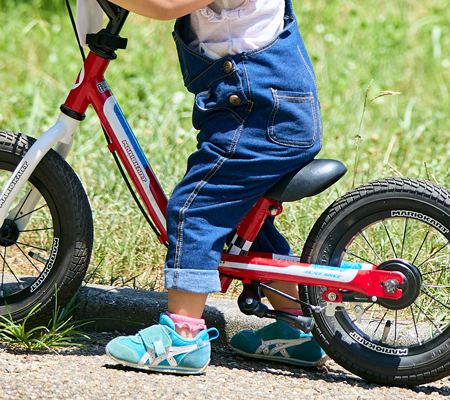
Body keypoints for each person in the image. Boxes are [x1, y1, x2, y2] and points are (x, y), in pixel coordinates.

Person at [105, 0, 327, 374]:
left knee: (196, 208)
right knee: (241, 220)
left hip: (260, 116)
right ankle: (295, 329)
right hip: (260, 108)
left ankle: (182, 337)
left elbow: (165, 5)